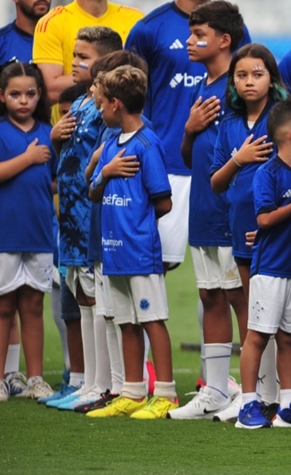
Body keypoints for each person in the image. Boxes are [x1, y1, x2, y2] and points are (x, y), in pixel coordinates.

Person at [127, 0, 250, 268]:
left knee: (223, 273)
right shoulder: (149, 30)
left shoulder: (233, 29)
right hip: (167, 166)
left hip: (222, 165)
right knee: (155, 266)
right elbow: (130, 99)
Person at [169, 0, 247, 421]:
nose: (189, 42)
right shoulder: (202, 88)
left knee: (240, 298)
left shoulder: (240, 88)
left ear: (224, 40)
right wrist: (189, 129)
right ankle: (216, 390)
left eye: (199, 35)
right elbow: (188, 156)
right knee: (210, 296)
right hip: (202, 208)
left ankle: (255, 393)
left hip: (231, 212)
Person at [85, 65, 177, 419]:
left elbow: (163, 200)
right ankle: (133, 392)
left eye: (103, 102)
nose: (100, 108)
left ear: (116, 104)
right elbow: (94, 193)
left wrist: (136, 224)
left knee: (152, 319)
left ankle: (166, 393)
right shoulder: (110, 143)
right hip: (113, 251)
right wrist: (104, 173)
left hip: (139, 250)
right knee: (126, 321)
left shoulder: (146, 144)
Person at [210, 43, 290, 417]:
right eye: (241, 75)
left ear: (271, 78)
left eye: (257, 73)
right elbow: (216, 182)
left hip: (277, 231)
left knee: (281, 320)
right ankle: (253, 397)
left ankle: (277, 398)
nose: (249, 81)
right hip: (240, 229)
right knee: (251, 314)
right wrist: (237, 159)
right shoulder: (227, 126)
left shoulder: (283, 120)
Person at [46, 27, 121, 412]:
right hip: (70, 222)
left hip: (93, 219)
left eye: (83, 57)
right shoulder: (79, 105)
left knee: (97, 301)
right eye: (73, 56)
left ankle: (102, 384)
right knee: (81, 298)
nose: (73, 64)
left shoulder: (110, 109)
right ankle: (88, 381)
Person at [235, 100, 291, 429]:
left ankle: (289, 404)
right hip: (269, 269)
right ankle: (247, 404)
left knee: (290, 338)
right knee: (257, 336)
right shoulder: (268, 172)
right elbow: (264, 218)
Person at [0, 62, 56, 401]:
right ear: (2, 96)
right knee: (3, 306)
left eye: (30, 94)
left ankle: (35, 378)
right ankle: (4, 378)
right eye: (15, 94)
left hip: (39, 233)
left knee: (34, 305)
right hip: (5, 235)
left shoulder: (50, 133)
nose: (23, 101)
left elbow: (53, 180)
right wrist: (28, 157)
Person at [34, 0, 143, 107]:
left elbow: (145, 81)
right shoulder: (52, 23)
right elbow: (51, 91)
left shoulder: (136, 19)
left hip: (121, 130)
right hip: (72, 129)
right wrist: (111, 73)